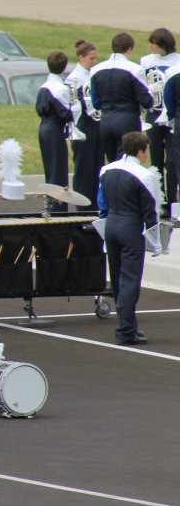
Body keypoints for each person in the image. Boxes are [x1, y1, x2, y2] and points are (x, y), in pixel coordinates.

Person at [97, 132, 161, 346]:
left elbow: (102, 204)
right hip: (130, 228)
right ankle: (125, 331)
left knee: (117, 279)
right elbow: (151, 212)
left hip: (111, 225)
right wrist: (156, 242)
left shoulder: (107, 169)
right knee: (130, 281)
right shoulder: (145, 175)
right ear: (141, 151)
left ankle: (128, 326)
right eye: (146, 150)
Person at [90, 32, 154, 163]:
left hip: (106, 121)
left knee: (112, 163)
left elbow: (95, 103)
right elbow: (146, 101)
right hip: (128, 120)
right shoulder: (135, 69)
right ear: (129, 49)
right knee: (127, 162)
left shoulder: (95, 70)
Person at [140, 28, 180, 212]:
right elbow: (141, 85)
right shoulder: (146, 61)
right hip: (154, 114)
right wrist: (150, 90)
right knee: (155, 157)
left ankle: (172, 199)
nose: (150, 46)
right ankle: (159, 200)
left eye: (153, 44)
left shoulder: (177, 60)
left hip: (170, 116)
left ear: (163, 45)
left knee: (172, 159)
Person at [65, 39, 103, 210]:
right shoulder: (74, 78)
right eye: (91, 58)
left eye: (95, 58)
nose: (94, 61)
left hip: (97, 124)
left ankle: (95, 205)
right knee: (83, 168)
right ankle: (82, 207)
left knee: (97, 166)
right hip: (82, 125)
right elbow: (72, 105)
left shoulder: (94, 73)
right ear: (81, 57)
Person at [35, 51, 75, 213]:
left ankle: (51, 205)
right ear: (64, 67)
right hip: (54, 129)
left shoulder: (44, 86)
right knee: (58, 170)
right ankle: (58, 209)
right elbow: (65, 114)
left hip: (44, 128)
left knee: (50, 169)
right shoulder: (60, 88)